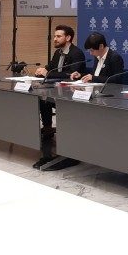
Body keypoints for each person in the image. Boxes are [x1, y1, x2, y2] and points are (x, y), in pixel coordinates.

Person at [33, 25, 86, 171]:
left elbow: (71, 75)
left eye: (58, 36)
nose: (55, 39)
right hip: (55, 89)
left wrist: (48, 73)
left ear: (68, 38)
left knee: (47, 97)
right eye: (55, 36)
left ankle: (68, 145)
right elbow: (51, 68)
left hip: (71, 93)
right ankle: (48, 127)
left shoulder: (77, 54)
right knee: (42, 97)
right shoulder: (57, 52)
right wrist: (42, 70)